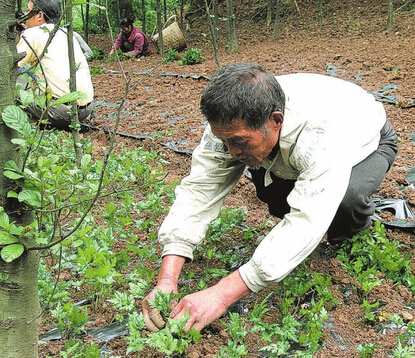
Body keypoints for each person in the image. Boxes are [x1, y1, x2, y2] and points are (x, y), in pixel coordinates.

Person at [142, 62, 398, 332]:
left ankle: (347, 243)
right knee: (276, 196)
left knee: (346, 200)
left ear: (276, 121)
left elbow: (307, 219)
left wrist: (220, 295)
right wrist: (167, 280)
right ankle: (295, 240)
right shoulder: (230, 120)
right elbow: (200, 189)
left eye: (240, 142)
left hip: (368, 139)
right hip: (294, 146)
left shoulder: (321, 138)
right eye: (225, 141)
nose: (231, 152)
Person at [16, 0, 94, 131]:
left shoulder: (32, 34)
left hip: (59, 111)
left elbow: (10, 64)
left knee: (13, 76)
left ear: (39, 15)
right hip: (86, 109)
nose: (25, 15)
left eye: (28, 11)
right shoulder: (66, 33)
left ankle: (21, 121)